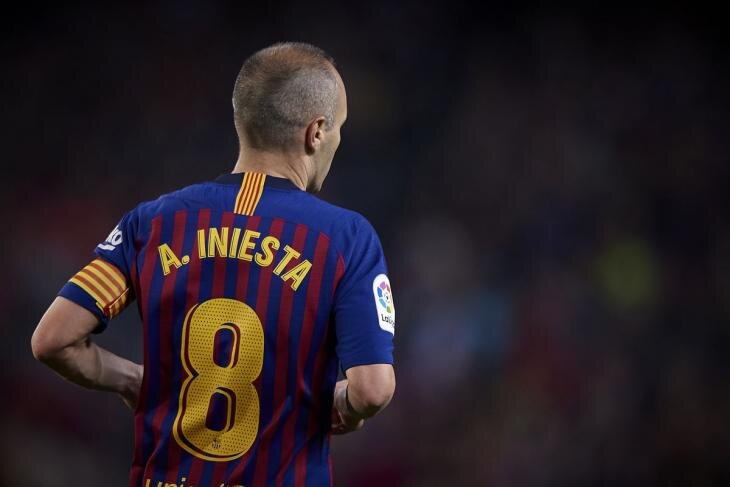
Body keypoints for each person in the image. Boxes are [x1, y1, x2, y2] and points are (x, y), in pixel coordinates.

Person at [31, 42, 396, 487]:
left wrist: (131, 380)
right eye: (340, 126)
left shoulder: (152, 222)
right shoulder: (345, 238)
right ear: (316, 132)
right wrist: (346, 406)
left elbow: (52, 340)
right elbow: (372, 389)